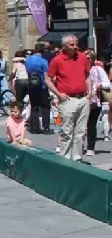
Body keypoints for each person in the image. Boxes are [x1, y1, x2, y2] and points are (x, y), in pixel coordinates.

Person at [46, 34, 91, 162]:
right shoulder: (57, 60)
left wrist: (90, 92)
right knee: (66, 131)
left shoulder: (82, 57)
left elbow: (87, 75)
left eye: (77, 44)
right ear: (64, 46)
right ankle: (65, 159)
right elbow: (48, 79)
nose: (75, 47)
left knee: (80, 131)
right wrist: (58, 94)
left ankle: (77, 158)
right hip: (67, 99)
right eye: (72, 45)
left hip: (83, 98)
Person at [86, 56, 110, 158]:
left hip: (95, 101)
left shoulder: (97, 69)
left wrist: (98, 84)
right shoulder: (79, 68)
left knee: (91, 124)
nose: (87, 60)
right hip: (81, 99)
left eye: (89, 57)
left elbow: (107, 84)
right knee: (80, 125)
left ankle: (90, 148)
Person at [26, 43, 51, 134]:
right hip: (42, 86)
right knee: (45, 107)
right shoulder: (44, 61)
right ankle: (46, 128)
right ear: (43, 50)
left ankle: (35, 128)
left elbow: (27, 71)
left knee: (34, 107)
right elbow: (46, 75)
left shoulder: (28, 60)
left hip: (32, 85)